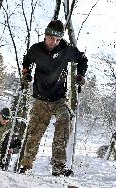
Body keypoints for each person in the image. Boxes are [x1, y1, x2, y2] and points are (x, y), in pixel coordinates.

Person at [19, 20, 88, 176]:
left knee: (65, 121)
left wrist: (80, 75)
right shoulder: (36, 49)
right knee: (34, 132)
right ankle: (26, 167)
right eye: (51, 38)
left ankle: (58, 165)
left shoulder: (66, 50)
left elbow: (83, 59)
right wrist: (26, 73)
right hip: (40, 99)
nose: (54, 42)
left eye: (57, 39)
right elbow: (27, 60)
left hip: (59, 99)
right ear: (45, 35)